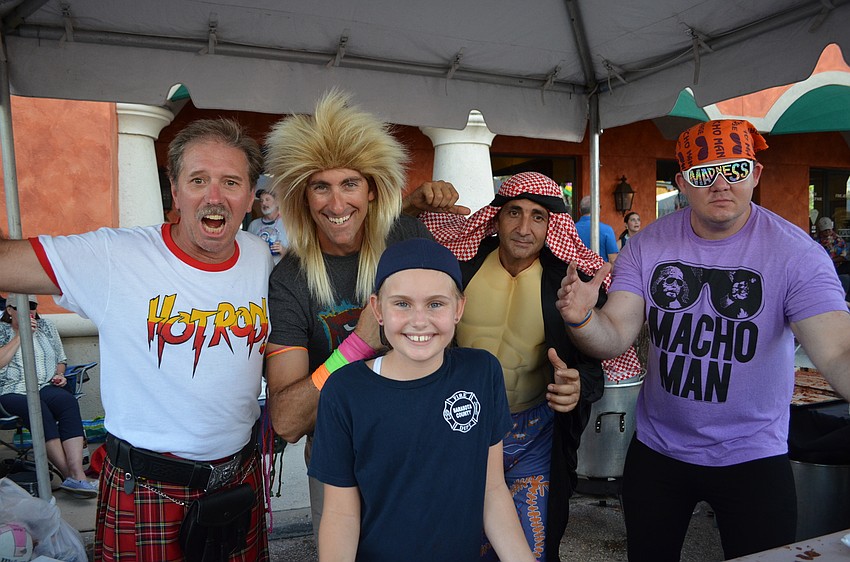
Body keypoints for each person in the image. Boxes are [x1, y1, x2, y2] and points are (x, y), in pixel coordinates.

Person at [555, 119, 850, 560]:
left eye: (734, 169)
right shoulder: (647, 245)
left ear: (755, 174)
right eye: (703, 172)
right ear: (681, 183)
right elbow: (614, 335)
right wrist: (582, 319)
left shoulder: (796, 254)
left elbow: (839, 349)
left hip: (754, 454)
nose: (720, 184)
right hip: (658, 450)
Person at [0, 118, 273, 561]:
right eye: (198, 180)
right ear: (175, 190)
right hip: (146, 489)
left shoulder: (259, 256)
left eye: (231, 181)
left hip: (238, 482)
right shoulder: (115, 255)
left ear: (250, 195)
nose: (214, 196)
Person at [263, 89, 467, 538]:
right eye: (321, 186)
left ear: (372, 190)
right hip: (340, 462)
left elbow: (454, 333)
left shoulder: (407, 237)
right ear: (303, 197)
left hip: (424, 449)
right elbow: (287, 420)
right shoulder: (291, 280)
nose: (337, 205)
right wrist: (355, 347)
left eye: (350, 184)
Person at [421, 172, 642, 561]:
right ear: (496, 216)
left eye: (538, 216)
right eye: (514, 213)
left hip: (534, 434)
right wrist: (412, 205)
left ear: (551, 224)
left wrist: (578, 386)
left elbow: (594, 363)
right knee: (458, 542)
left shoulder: (566, 283)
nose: (524, 228)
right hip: (461, 428)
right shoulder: (459, 267)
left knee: (531, 548)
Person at [309, 238, 536, 562]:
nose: (419, 320)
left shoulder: (482, 373)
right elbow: (341, 514)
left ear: (458, 308)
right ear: (378, 309)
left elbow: (492, 489)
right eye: (402, 304)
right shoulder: (344, 392)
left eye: (435, 304)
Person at [0, 293, 96, 497]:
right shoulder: (1, 330)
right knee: (37, 408)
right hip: (11, 390)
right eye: (22, 307)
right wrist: (21, 336)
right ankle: (69, 475)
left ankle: (78, 473)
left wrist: (59, 374)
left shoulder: (47, 327)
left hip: (44, 385)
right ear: (9, 310)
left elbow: (61, 359)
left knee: (66, 401)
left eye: (32, 306)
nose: (29, 310)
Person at [248, 188, 288, 263]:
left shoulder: (288, 224)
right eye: (261, 201)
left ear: (277, 202)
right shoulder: (254, 225)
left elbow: (299, 255)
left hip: (280, 269)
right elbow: (248, 250)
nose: (264, 203)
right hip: (259, 267)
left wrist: (283, 250)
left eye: (267, 199)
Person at [575, 195, 619, 262]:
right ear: (597, 209)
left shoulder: (571, 229)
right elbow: (612, 259)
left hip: (577, 267)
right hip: (601, 268)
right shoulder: (606, 230)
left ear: (580, 210)